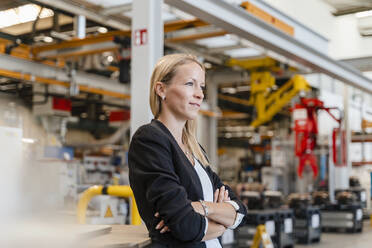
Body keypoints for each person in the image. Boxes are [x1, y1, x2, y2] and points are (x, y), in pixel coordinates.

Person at [128, 54, 247, 248]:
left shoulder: (194, 148)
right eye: (190, 84)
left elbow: (240, 213)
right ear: (161, 89)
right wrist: (222, 221)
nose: (200, 94)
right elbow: (185, 225)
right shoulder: (150, 140)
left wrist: (201, 207)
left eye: (201, 86)